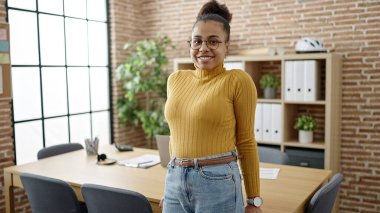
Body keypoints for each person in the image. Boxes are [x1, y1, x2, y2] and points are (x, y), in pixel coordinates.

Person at [162, 0, 262, 212]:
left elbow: (246, 141)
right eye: (197, 41)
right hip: (175, 180)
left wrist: (253, 199)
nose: (203, 48)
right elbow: (175, 136)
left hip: (218, 181)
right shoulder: (175, 79)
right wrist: (170, 185)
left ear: (227, 46)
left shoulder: (237, 80)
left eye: (213, 41)